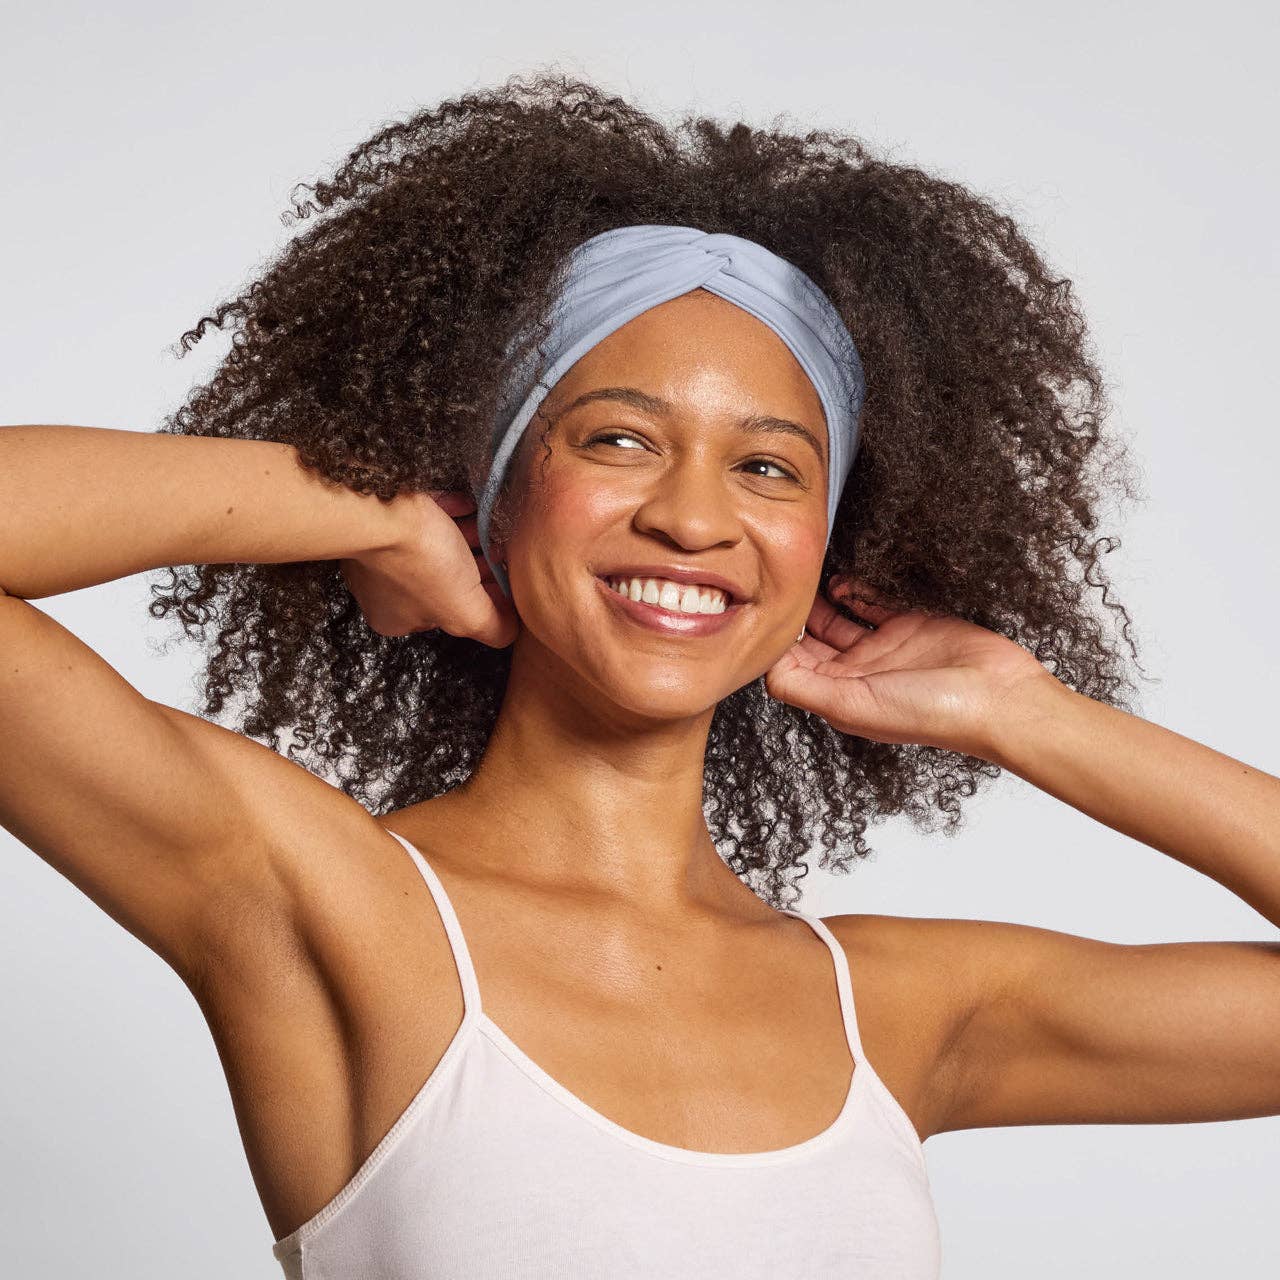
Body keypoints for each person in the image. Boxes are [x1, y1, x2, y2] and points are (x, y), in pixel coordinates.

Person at [2, 71, 1278, 1279]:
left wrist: (1025, 714)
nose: (692, 517)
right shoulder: (325, 902)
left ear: (829, 538)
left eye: (766, 467)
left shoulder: (894, 1009)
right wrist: (368, 507)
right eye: (617, 438)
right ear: (502, 486)